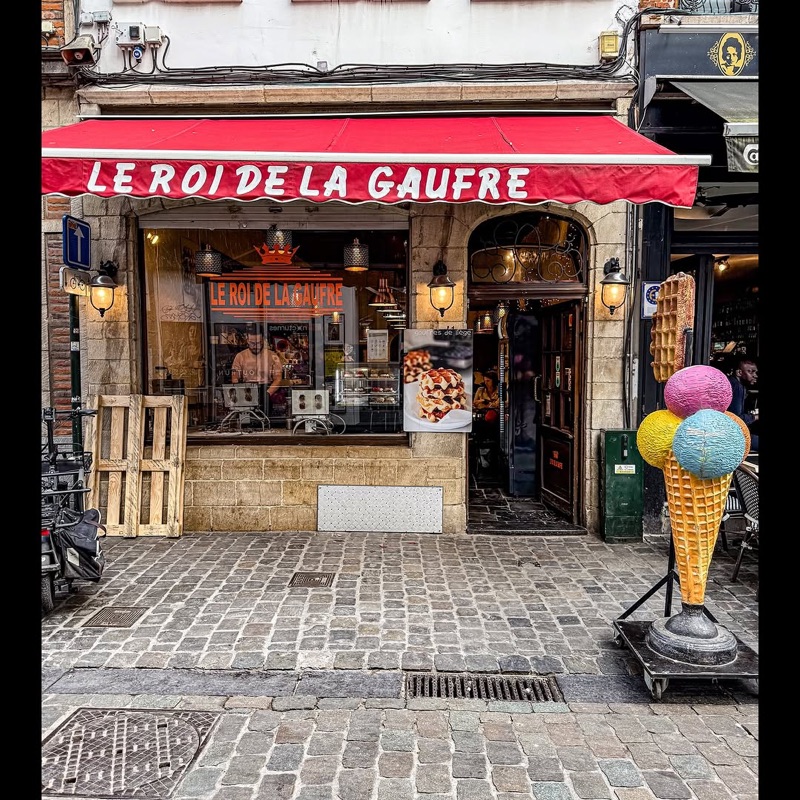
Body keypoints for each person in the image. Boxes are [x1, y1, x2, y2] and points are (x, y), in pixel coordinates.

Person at [230, 324, 284, 413]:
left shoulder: (273, 356)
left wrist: (267, 393)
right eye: (252, 343)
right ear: (247, 340)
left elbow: (278, 379)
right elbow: (235, 378)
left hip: (266, 391)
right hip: (246, 392)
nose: (255, 346)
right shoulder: (240, 356)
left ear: (263, 340)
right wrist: (240, 392)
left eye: (258, 343)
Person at [727, 357, 759, 452]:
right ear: (739, 373)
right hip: (732, 436)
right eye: (751, 372)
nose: (755, 375)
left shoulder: (734, 383)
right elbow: (736, 420)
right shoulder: (737, 387)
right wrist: (755, 417)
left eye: (755, 372)